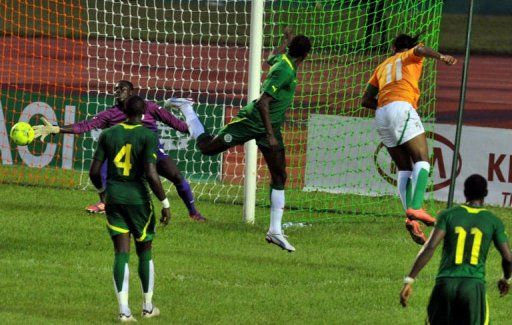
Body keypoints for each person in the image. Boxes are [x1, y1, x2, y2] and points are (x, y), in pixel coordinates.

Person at [167, 29, 311, 252]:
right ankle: (187, 107)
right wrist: (270, 134)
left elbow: (270, 57)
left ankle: (274, 231)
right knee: (207, 148)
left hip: (268, 127)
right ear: (307, 56)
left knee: (280, 175)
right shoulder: (285, 70)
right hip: (253, 122)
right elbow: (263, 103)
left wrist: (285, 42)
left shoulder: (284, 60)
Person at [32, 80, 205, 221]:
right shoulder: (110, 114)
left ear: (131, 92)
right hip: (126, 155)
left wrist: (190, 123)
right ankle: (105, 202)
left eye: (122, 89)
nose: (117, 92)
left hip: (151, 151)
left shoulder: (148, 107)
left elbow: (178, 125)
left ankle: (193, 212)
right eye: (115, 89)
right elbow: (85, 125)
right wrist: (57, 129)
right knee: (101, 167)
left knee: (176, 175)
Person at [361, 33, 457, 244]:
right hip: (401, 107)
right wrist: (442, 57)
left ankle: (411, 219)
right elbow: (421, 50)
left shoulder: (382, 66)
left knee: (404, 168)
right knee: (422, 160)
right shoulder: (409, 56)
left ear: (393, 46)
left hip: (381, 113)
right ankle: (416, 208)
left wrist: (386, 106)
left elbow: (365, 100)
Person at [89, 95, 171, 322]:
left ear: (124, 110)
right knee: (144, 252)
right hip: (138, 200)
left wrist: (103, 193)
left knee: (121, 253)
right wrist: (165, 203)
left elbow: (94, 172)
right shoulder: (147, 135)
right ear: (144, 113)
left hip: (114, 198)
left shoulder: (108, 134)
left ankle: (124, 311)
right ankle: (147, 307)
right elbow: (152, 174)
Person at [399, 174, 512, 324]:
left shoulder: (448, 215)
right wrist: (506, 278)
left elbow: (430, 247)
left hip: (445, 285)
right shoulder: (493, 221)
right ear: (485, 194)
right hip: (473, 288)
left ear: (465, 192)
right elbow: (508, 258)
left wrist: (409, 279)